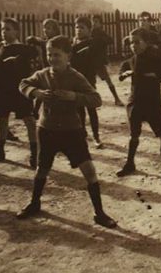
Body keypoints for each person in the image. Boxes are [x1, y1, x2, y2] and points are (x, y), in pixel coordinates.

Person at [16, 35, 117, 228]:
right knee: (42, 169)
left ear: (68, 56)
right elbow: (23, 84)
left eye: (57, 55)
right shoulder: (42, 74)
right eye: (49, 54)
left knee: (89, 170)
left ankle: (99, 212)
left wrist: (74, 96)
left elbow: (96, 99)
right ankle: (35, 203)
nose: (52, 59)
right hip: (47, 130)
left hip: (72, 131)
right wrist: (35, 93)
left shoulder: (76, 76)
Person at [116, 28, 161, 183]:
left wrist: (157, 76)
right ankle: (130, 163)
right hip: (135, 102)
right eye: (131, 42)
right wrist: (123, 74)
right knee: (134, 134)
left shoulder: (154, 56)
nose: (133, 45)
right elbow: (124, 65)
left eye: (137, 42)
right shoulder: (134, 58)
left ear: (146, 43)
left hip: (152, 102)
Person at [0, 18, 39, 166]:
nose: (4, 32)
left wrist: (17, 60)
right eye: (2, 29)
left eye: (8, 29)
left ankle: (34, 154)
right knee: (2, 120)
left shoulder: (23, 48)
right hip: (2, 88)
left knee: (29, 120)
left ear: (16, 31)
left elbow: (34, 54)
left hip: (18, 89)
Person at [71, 16, 106, 148]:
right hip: (75, 81)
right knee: (79, 110)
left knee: (91, 109)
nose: (79, 30)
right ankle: (82, 134)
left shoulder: (93, 43)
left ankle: (96, 136)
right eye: (77, 27)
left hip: (88, 80)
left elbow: (98, 52)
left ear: (89, 30)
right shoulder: (72, 44)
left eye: (82, 28)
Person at [91, 15, 125, 107]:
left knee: (108, 80)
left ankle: (117, 98)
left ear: (101, 24)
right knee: (89, 80)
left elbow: (110, 40)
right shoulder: (90, 33)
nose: (94, 23)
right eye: (93, 21)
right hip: (89, 60)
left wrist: (101, 40)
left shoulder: (102, 33)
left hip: (98, 61)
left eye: (97, 22)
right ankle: (92, 98)